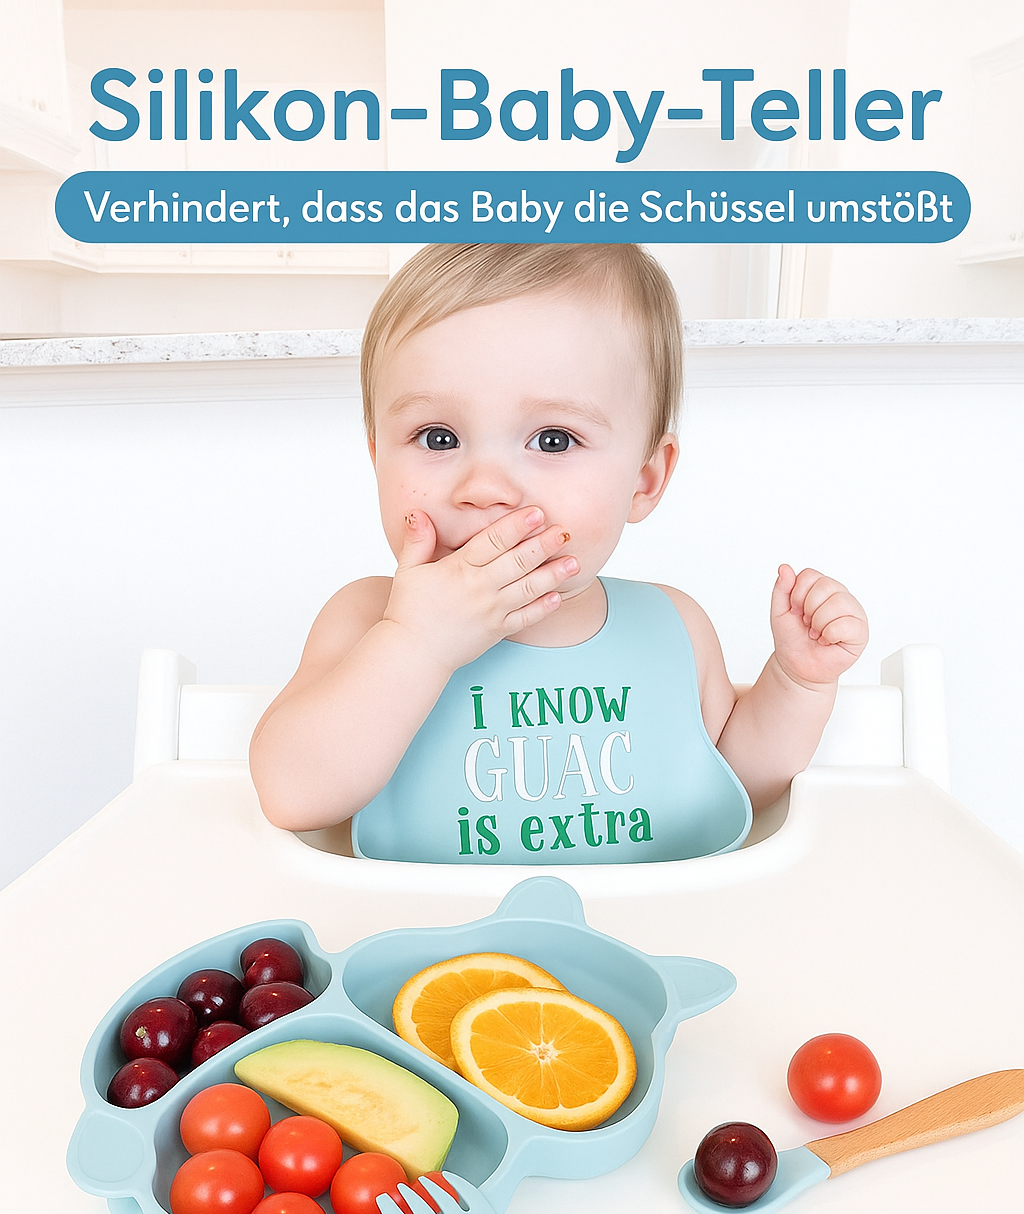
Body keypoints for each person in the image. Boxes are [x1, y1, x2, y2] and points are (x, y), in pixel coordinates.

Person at [250, 243, 867, 864]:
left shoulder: (674, 631)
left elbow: (729, 789)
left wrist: (795, 683)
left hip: (647, 946)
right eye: (438, 438)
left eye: (553, 439)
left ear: (644, 478)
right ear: (378, 454)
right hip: (441, 951)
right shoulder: (366, 622)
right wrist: (416, 640)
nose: (484, 488)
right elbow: (291, 794)